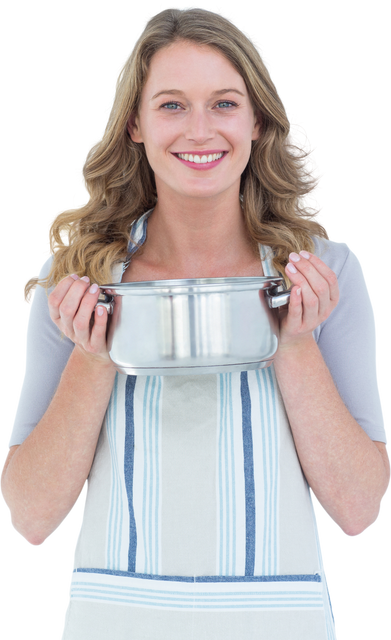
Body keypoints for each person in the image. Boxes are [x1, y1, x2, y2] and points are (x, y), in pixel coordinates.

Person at [1, 4, 389, 639]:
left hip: (279, 624)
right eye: (172, 105)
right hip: (115, 622)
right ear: (135, 124)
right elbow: (31, 517)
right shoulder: (73, 279)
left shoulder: (328, 274)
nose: (200, 131)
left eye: (225, 104)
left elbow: (358, 509)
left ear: (259, 119)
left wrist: (294, 344)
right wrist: (93, 354)